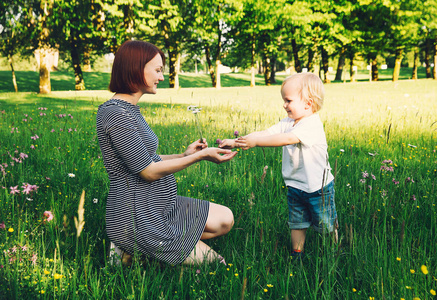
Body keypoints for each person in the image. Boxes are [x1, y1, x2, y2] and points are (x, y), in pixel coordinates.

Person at [96, 40, 237, 266]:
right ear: (135, 68)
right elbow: (148, 172)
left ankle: (144, 252)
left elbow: (145, 159)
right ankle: (130, 246)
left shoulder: (129, 109)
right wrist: (199, 156)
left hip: (158, 206)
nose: (162, 77)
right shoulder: (116, 115)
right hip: (135, 216)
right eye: (158, 70)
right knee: (216, 264)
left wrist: (183, 155)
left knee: (225, 220)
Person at [219, 73, 338, 259]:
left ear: (308, 103)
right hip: (295, 187)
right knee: (297, 223)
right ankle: (297, 253)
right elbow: (266, 133)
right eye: (284, 100)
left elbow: (287, 139)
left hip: (318, 188)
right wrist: (236, 142)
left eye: (288, 100)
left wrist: (257, 143)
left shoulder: (311, 124)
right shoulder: (288, 122)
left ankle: (333, 250)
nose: (284, 105)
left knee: (326, 223)